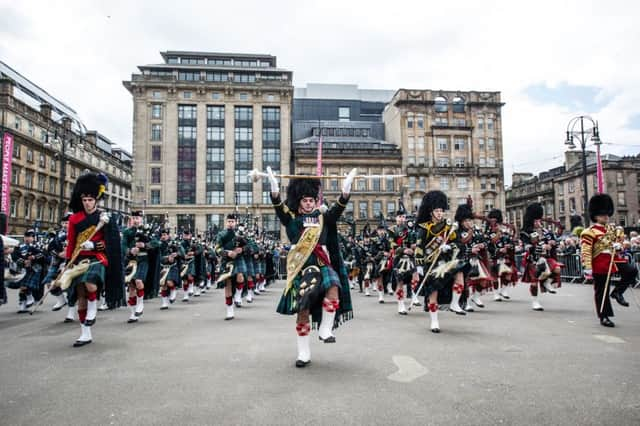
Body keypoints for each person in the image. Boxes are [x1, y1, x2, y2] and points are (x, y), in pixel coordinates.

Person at [268, 167, 356, 367]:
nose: (309, 204)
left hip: (322, 263)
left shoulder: (323, 218)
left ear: (316, 202)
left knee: (334, 286)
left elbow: (338, 209)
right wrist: (273, 189)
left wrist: (346, 190)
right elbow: (278, 206)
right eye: (305, 201)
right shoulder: (291, 220)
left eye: (311, 200)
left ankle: (326, 329)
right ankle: (303, 351)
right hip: (302, 267)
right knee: (303, 310)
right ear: (299, 203)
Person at [65, 172, 122, 347]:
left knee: (90, 283)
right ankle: (85, 333)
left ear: (96, 200)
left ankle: (93, 309)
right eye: (85, 200)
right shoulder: (74, 219)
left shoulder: (104, 218)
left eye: (90, 199)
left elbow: (111, 243)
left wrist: (95, 246)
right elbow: (71, 241)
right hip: (79, 258)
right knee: (81, 292)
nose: (87, 203)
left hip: (98, 257)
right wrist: (68, 261)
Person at [414, 190, 465, 333]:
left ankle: (455, 303)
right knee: (433, 292)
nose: (440, 213)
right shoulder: (424, 228)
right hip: (431, 263)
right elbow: (419, 247)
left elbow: (458, 243)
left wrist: (449, 246)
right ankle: (434, 321)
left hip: (445, 260)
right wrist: (418, 265)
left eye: (442, 211)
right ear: (431, 212)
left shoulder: (449, 227)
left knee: (460, 271)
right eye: (437, 211)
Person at [581, 194, 620, 327]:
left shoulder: (611, 230)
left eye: (606, 214)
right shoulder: (589, 232)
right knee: (602, 292)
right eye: (602, 214)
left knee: (631, 271)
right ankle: (604, 316)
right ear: (596, 216)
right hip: (598, 263)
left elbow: (618, 242)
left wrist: (619, 245)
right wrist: (587, 267)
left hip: (611, 262)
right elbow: (586, 250)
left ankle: (618, 293)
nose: (606, 216)